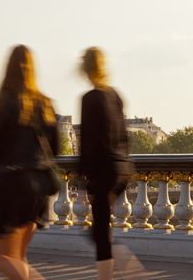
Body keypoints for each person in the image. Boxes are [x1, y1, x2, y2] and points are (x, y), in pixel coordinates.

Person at [0, 45, 60, 280]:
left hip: (14, 184)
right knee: (18, 258)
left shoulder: (6, 102)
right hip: (41, 187)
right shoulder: (45, 104)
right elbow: (56, 149)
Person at [78, 47, 134, 280]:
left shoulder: (90, 98)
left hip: (104, 171)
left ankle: (127, 270)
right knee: (99, 230)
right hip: (122, 170)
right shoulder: (115, 95)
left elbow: (89, 143)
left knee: (100, 232)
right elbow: (124, 137)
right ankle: (129, 267)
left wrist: (85, 182)